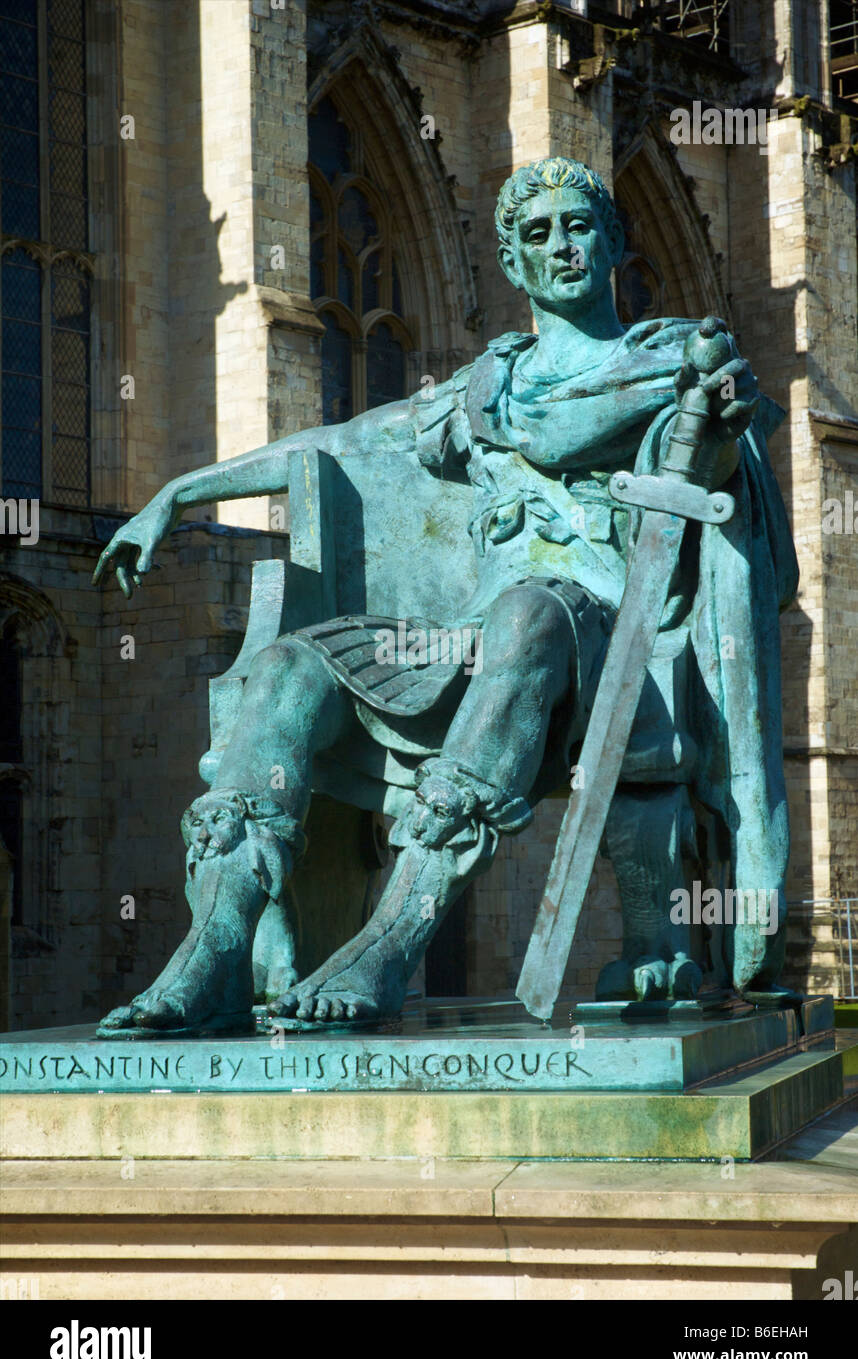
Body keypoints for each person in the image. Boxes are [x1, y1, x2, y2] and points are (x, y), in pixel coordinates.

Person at [95, 158, 796, 1036]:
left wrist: (717, 425)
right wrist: (182, 491)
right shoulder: (486, 391)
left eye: (580, 226)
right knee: (286, 669)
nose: (562, 246)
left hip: (604, 641)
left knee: (531, 612)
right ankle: (215, 947)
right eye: (537, 234)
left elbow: (720, 484)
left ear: (614, 241)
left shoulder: (668, 361)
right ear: (513, 263)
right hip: (470, 645)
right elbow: (347, 441)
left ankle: (393, 937)